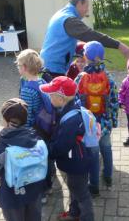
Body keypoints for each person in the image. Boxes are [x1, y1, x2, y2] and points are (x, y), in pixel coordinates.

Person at [40, 0, 129, 78]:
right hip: (53, 70)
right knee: (60, 94)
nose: (87, 10)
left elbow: (60, 40)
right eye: (87, 6)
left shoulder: (62, 14)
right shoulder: (69, 19)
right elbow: (91, 35)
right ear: (80, 3)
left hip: (48, 65)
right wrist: (119, 45)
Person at [40, 77, 95, 221]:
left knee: (82, 194)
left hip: (77, 163)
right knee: (74, 189)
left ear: (60, 97)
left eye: (51, 94)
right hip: (78, 159)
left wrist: (46, 151)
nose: (49, 96)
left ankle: (86, 218)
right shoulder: (72, 105)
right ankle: (74, 213)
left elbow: (61, 146)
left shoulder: (71, 120)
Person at [0, 98, 45, 221]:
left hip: (13, 196)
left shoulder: (1, 148)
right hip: (34, 192)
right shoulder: (36, 138)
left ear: (6, 121)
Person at [75, 41, 119, 196]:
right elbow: (114, 102)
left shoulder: (80, 77)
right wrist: (113, 121)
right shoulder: (109, 78)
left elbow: (75, 101)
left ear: (85, 57)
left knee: (93, 154)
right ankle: (108, 176)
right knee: (106, 149)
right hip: (105, 122)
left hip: (89, 125)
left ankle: (93, 186)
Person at [16, 49, 55, 203]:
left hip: (35, 130)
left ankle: (42, 193)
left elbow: (28, 116)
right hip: (46, 127)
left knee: (37, 161)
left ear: (25, 67)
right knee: (46, 158)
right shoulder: (42, 81)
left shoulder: (27, 89)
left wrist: (22, 132)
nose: (18, 68)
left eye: (19, 65)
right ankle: (49, 186)